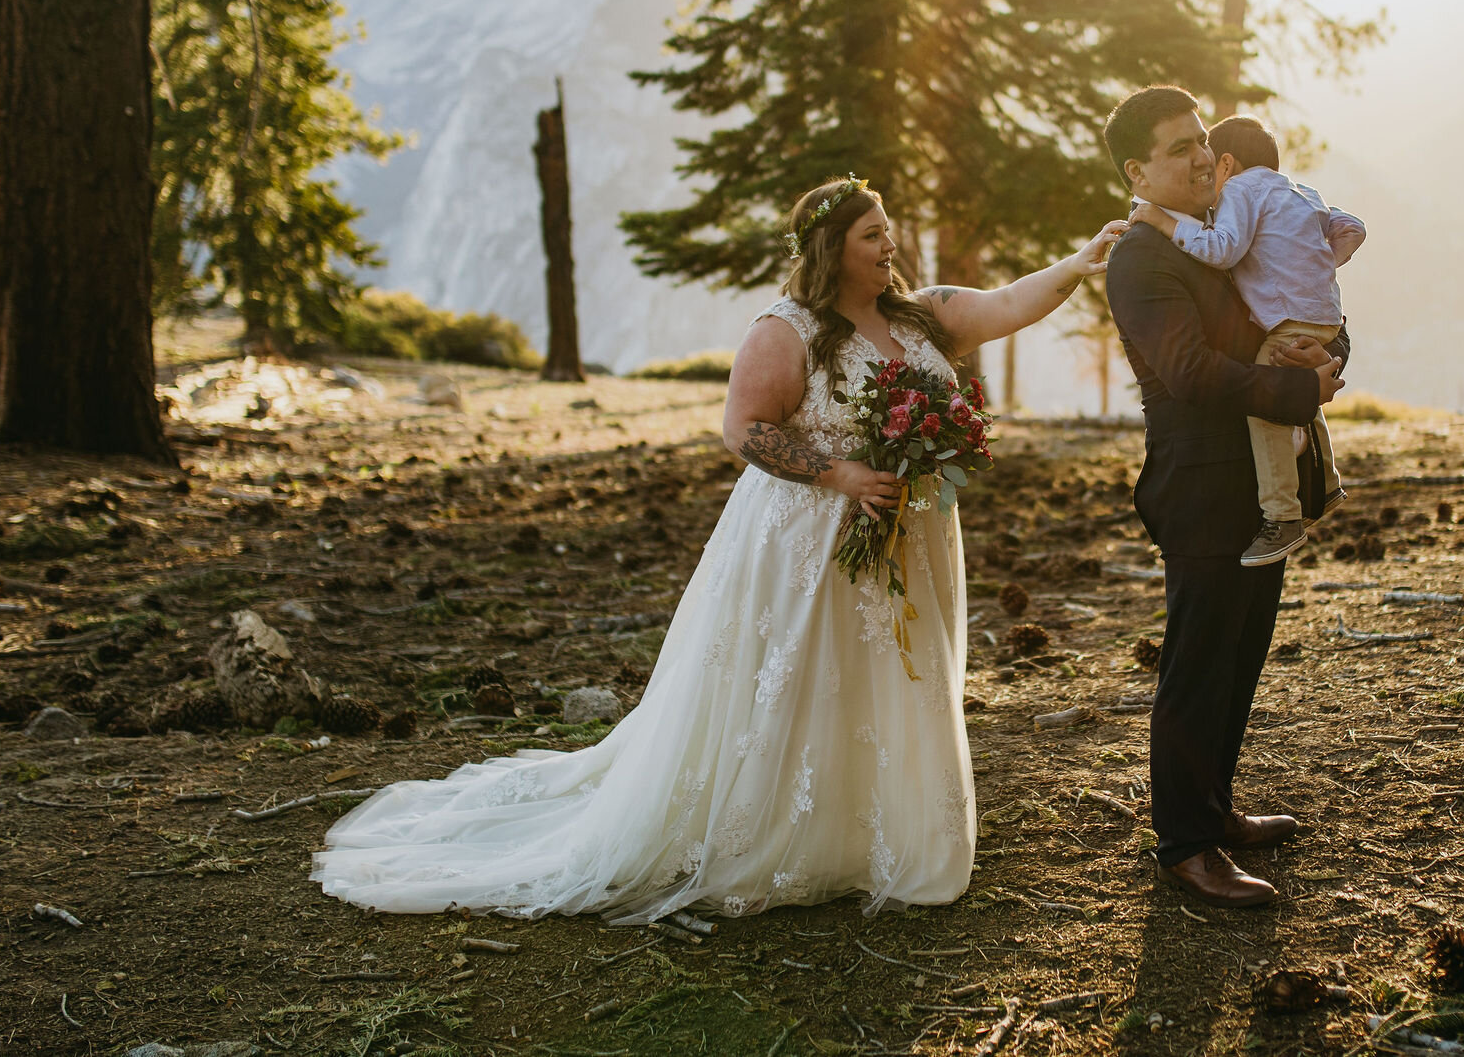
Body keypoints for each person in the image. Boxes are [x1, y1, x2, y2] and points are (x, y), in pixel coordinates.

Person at [310, 177, 1126, 922]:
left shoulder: (921, 315)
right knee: (811, 673)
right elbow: (745, 429)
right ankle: (786, 833)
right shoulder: (787, 329)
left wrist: (1081, 262)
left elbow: (1011, 302)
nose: (890, 248)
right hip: (811, 538)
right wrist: (842, 471)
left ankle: (880, 832)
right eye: (872, 235)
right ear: (830, 247)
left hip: (908, 537)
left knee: (891, 675)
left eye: (889, 233)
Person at [1103, 86, 1345, 908]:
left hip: (1257, 478)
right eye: (1180, 148)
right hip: (1201, 484)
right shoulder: (1140, 258)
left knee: (1240, 659)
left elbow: (1285, 294)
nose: (1204, 155)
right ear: (1140, 171)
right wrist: (1296, 387)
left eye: (1204, 140)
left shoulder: (1226, 235)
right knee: (1198, 666)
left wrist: (1321, 351)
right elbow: (1192, 373)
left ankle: (1217, 810)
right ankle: (1184, 844)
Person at [1129, 114, 1365, 567]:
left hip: (1288, 320)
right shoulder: (1303, 192)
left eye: (1208, 157)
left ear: (1227, 163)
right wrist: (1318, 266)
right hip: (1322, 317)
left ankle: (1283, 516)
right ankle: (1328, 480)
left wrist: (1163, 222)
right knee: (1299, 388)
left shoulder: (1239, 190)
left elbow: (1223, 249)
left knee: (1269, 403)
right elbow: (1353, 227)